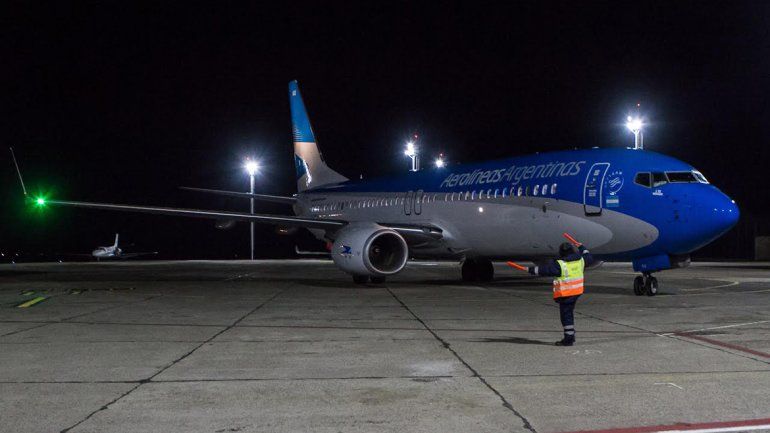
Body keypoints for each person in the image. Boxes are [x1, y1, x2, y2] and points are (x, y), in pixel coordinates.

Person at [528, 241, 595, 346]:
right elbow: (588, 257)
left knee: (566, 316)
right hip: (576, 292)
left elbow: (546, 270)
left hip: (566, 294)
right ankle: (570, 335)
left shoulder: (561, 264)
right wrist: (581, 246)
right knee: (568, 313)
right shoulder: (581, 260)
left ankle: (569, 339)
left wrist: (530, 270)